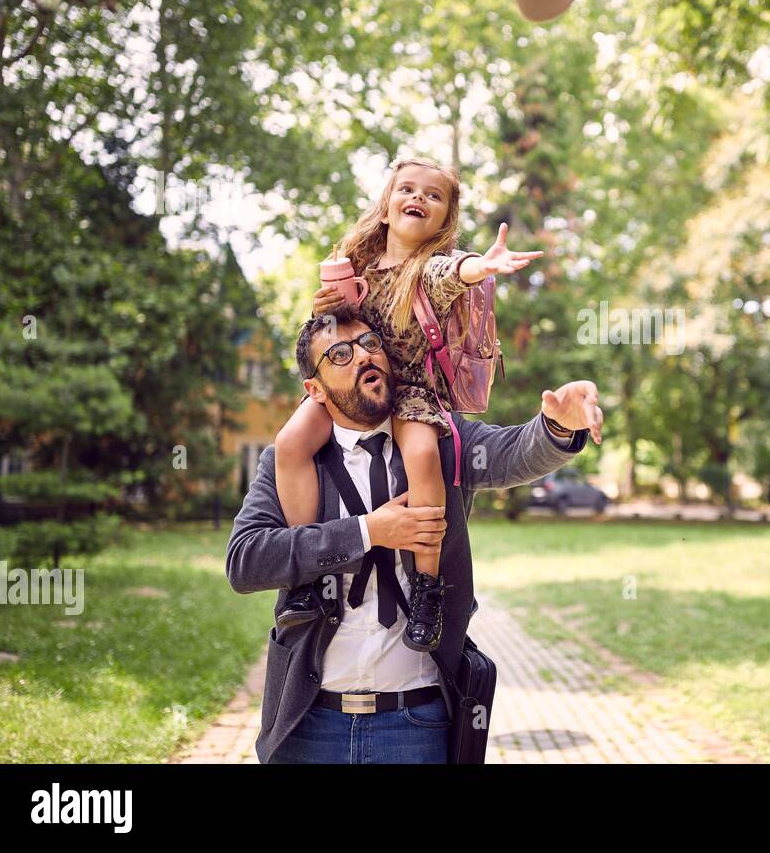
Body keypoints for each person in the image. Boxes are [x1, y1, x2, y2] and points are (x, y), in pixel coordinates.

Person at [227, 307, 604, 763]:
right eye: (340, 354)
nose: (364, 357)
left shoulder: (442, 444)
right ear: (315, 389)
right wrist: (369, 531)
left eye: (370, 344)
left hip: (417, 722)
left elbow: (510, 454)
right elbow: (246, 562)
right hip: (309, 723)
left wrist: (557, 426)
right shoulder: (288, 462)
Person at [274, 156, 542, 652]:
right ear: (385, 206)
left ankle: (427, 588)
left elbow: (454, 273)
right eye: (408, 189)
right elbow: (330, 334)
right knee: (290, 443)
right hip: (357, 383)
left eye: (434, 195)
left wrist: (481, 266)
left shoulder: (428, 271)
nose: (419, 198)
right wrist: (325, 311)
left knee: (422, 456)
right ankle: (306, 577)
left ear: (445, 219)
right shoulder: (356, 265)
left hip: (412, 388)